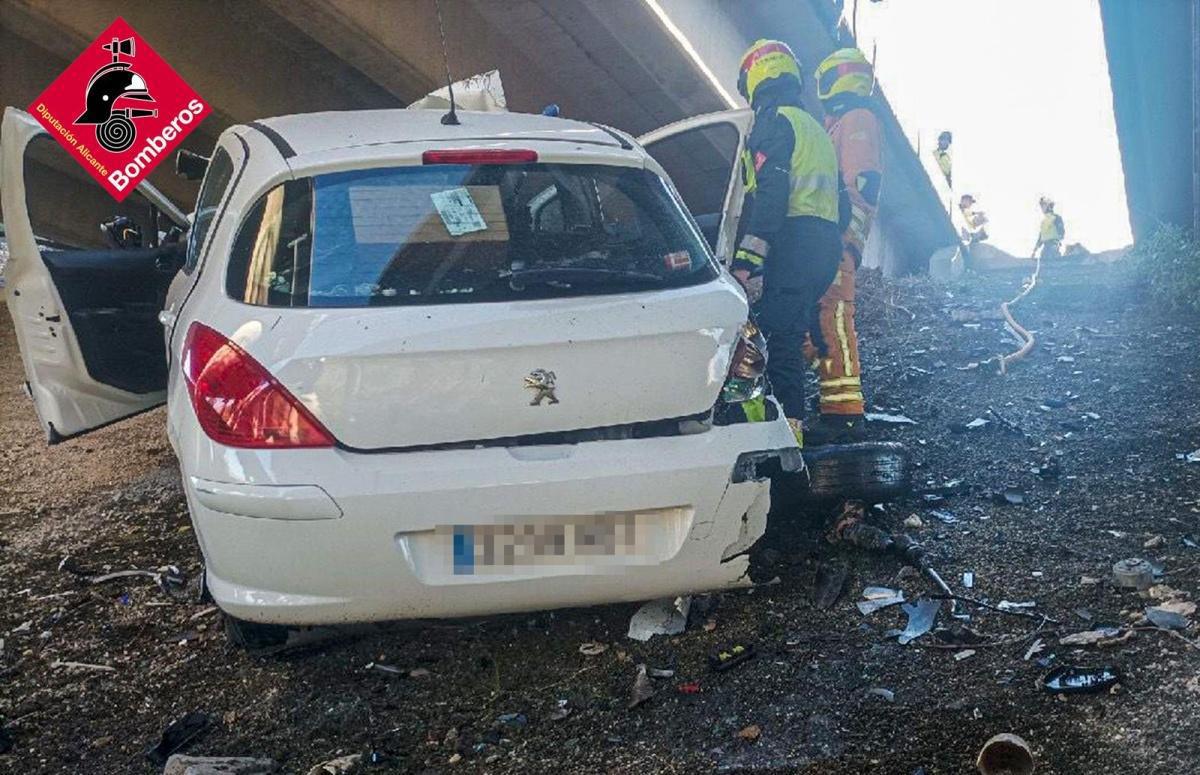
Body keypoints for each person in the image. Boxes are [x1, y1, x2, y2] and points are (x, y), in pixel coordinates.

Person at [731, 39, 842, 444]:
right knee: (787, 334)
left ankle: (785, 440)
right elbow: (842, 206)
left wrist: (744, 264)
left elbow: (771, 197)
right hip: (824, 245)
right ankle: (782, 430)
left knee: (777, 341)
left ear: (754, 78)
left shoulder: (773, 121)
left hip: (794, 243)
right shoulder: (814, 127)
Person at [801, 46, 883, 443]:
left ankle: (845, 414)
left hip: (837, 239)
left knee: (834, 316)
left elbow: (860, 184)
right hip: (827, 238)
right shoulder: (838, 124)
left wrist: (846, 238)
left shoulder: (856, 120)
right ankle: (830, 406)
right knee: (819, 316)